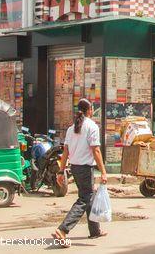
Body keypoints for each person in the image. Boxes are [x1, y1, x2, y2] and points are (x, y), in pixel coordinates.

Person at [51, 99, 108, 247]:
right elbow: (96, 150)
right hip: (85, 168)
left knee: (89, 197)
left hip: (75, 168)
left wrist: (61, 171)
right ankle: (63, 230)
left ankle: (95, 230)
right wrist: (103, 171)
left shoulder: (71, 129)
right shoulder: (91, 126)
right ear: (90, 110)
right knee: (85, 199)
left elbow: (65, 152)